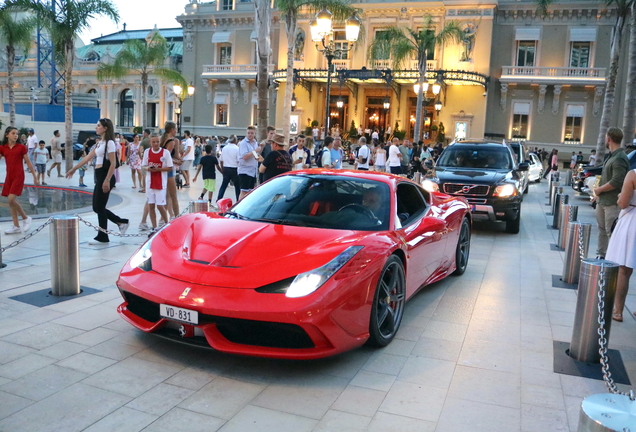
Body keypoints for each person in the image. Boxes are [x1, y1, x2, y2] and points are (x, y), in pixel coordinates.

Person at [66, 118, 129, 244]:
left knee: (99, 207)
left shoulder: (110, 143)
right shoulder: (100, 143)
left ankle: (103, 236)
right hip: (99, 175)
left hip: (106, 175)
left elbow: (113, 163)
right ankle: (120, 222)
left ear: (105, 128)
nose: (96, 128)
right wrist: (73, 169)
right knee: (97, 207)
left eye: (98, 126)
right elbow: (88, 158)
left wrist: (107, 180)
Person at [593, 127, 630, 260]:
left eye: (605, 137)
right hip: (603, 201)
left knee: (611, 232)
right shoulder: (612, 156)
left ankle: (611, 259)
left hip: (612, 203)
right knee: (602, 230)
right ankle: (601, 255)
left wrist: (599, 190)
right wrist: (598, 195)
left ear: (609, 139)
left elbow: (617, 181)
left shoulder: (619, 158)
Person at [606, 168, 636, 321]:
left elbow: (623, 203)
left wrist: (619, 196)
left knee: (624, 269)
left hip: (632, 221)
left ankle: (618, 311)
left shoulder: (633, 174)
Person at [0, 127, 38, 234]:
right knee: (10, 202)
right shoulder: (3, 148)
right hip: (9, 176)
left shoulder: (21, 147)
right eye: (13, 133)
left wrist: (35, 176)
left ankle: (26, 218)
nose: (15, 135)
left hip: (18, 175)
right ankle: (16, 226)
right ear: (7, 135)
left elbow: (28, 162)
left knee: (11, 199)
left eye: (17, 134)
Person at [141, 133, 172, 230]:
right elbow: (143, 166)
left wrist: (158, 169)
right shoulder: (147, 152)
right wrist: (148, 168)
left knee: (160, 206)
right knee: (151, 205)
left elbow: (170, 167)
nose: (155, 144)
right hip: (150, 182)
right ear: (150, 142)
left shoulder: (165, 153)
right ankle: (154, 227)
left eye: (157, 142)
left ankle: (166, 223)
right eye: (153, 142)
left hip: (160, 182)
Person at [160, 122, 180, 219]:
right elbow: (166, 157)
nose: (176, 131)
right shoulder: (171, 141)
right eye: (175, 129)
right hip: (168, 169)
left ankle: (164, 218)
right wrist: (177, 161)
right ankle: (176, 216)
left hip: (162, 169)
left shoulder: (162, 139)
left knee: (166, 196)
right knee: (173, 196)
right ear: (172, 130)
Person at [237, 126, 262, 200]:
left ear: (254, 134)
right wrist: (255, 151)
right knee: (243, 191)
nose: (250, 135)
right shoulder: (243, 143)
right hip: (245, 171)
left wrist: (258, 157)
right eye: (248, 133)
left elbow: (254, 155)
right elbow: (245, 156)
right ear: (246, 134)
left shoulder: (254, 142)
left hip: (252, 171)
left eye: (252, 133)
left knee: (250, 192)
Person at [217, 135, 241, 203]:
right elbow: (239, 161)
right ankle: (238, 201)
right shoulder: (237, 148)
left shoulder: (224, 148)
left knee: (223, 186)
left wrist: (222, 169)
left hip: (226, 168)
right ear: (235, 140)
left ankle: (218, 200)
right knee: (237, 186)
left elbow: (221, 160)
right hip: (234, 169)